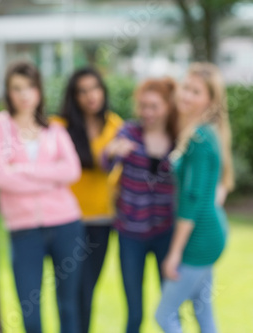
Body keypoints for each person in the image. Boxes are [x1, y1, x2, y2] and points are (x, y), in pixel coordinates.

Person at [0, 61, 84, 333]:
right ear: (7, 92)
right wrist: (50, 178)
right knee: (30, 312)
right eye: (17, 88)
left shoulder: (54, 129)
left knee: (68, 306)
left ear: (39, 90)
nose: (24, 94)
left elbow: (72, 171)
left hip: (66, 224)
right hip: (24, 229)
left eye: (30, 87)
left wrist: (23, 170)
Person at [155, 62, 235, 333]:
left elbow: (192, 200)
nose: (186, 95)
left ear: (210, 100)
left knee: (164, 316)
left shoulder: (200, 137)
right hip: (209, 231)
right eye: (185, 88)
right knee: (202, 309)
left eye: (196, 91)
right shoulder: (202, 132)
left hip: (201, 239)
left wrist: (174, 253)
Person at [102, 78, 178, 333]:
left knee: (170, 309)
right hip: (130, 233)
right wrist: (113, 151)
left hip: (166, 232)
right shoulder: (129, 132)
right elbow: (106, 161)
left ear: (168, 106)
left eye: (154, 106)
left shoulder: (178, 137)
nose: (147, 112)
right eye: (143, 106)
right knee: (135, 312)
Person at [51, 67, 123, 333]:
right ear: (74, 96)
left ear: (103, 91)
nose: (90, 96)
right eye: (82, 91)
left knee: (88, 289)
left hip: (102, 221)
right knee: (69, 293)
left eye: (95, 88)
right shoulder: (59, 127)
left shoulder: (116, 125)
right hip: (66, 220)